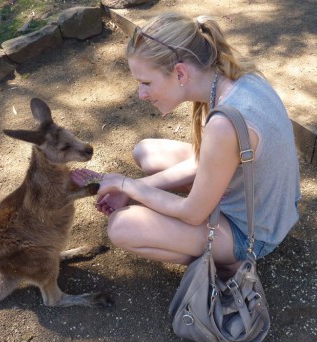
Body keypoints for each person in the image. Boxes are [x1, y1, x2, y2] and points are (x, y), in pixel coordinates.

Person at [72, 12, 301, 277]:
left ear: (180, 72)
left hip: (254, 233)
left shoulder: (224, 125)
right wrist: (136, 189)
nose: (141, 94)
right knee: (146, 152)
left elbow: (192, 213)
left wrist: (127, 185)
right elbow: (206, 160)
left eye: (146, 82)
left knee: (122, 227)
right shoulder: (233, 76)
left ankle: (229, 263)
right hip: (270, 205)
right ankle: (212, 242)